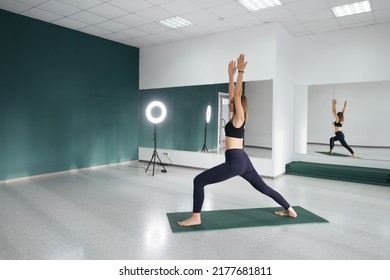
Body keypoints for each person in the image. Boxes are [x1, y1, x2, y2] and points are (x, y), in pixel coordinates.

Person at [177, 54, 297, 227]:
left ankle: (196, 217)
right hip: (243, 160)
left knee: (199, 181)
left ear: (240, 104)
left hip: (236, 162)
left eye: (233, 102)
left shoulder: (240, 117)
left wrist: (241, 72)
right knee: (263, 188)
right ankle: (289, 208)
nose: (230, 102)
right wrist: (230, 75)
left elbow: (238, 93)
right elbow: (234, 93)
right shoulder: (236, 117)